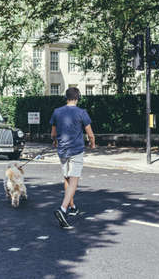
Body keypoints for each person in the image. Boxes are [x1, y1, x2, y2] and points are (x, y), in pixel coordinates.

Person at [50, 87, 96, 229]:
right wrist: (92, 144)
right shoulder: (82, 112)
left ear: (66, 97)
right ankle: (63, 209)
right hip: (76, 150)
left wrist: (55, 141)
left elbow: (53, 133)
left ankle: (73, 206)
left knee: (67, 178)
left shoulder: (57, 112)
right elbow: (90, 133)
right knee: (74, 180)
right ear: (77, 98)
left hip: (62, 151)